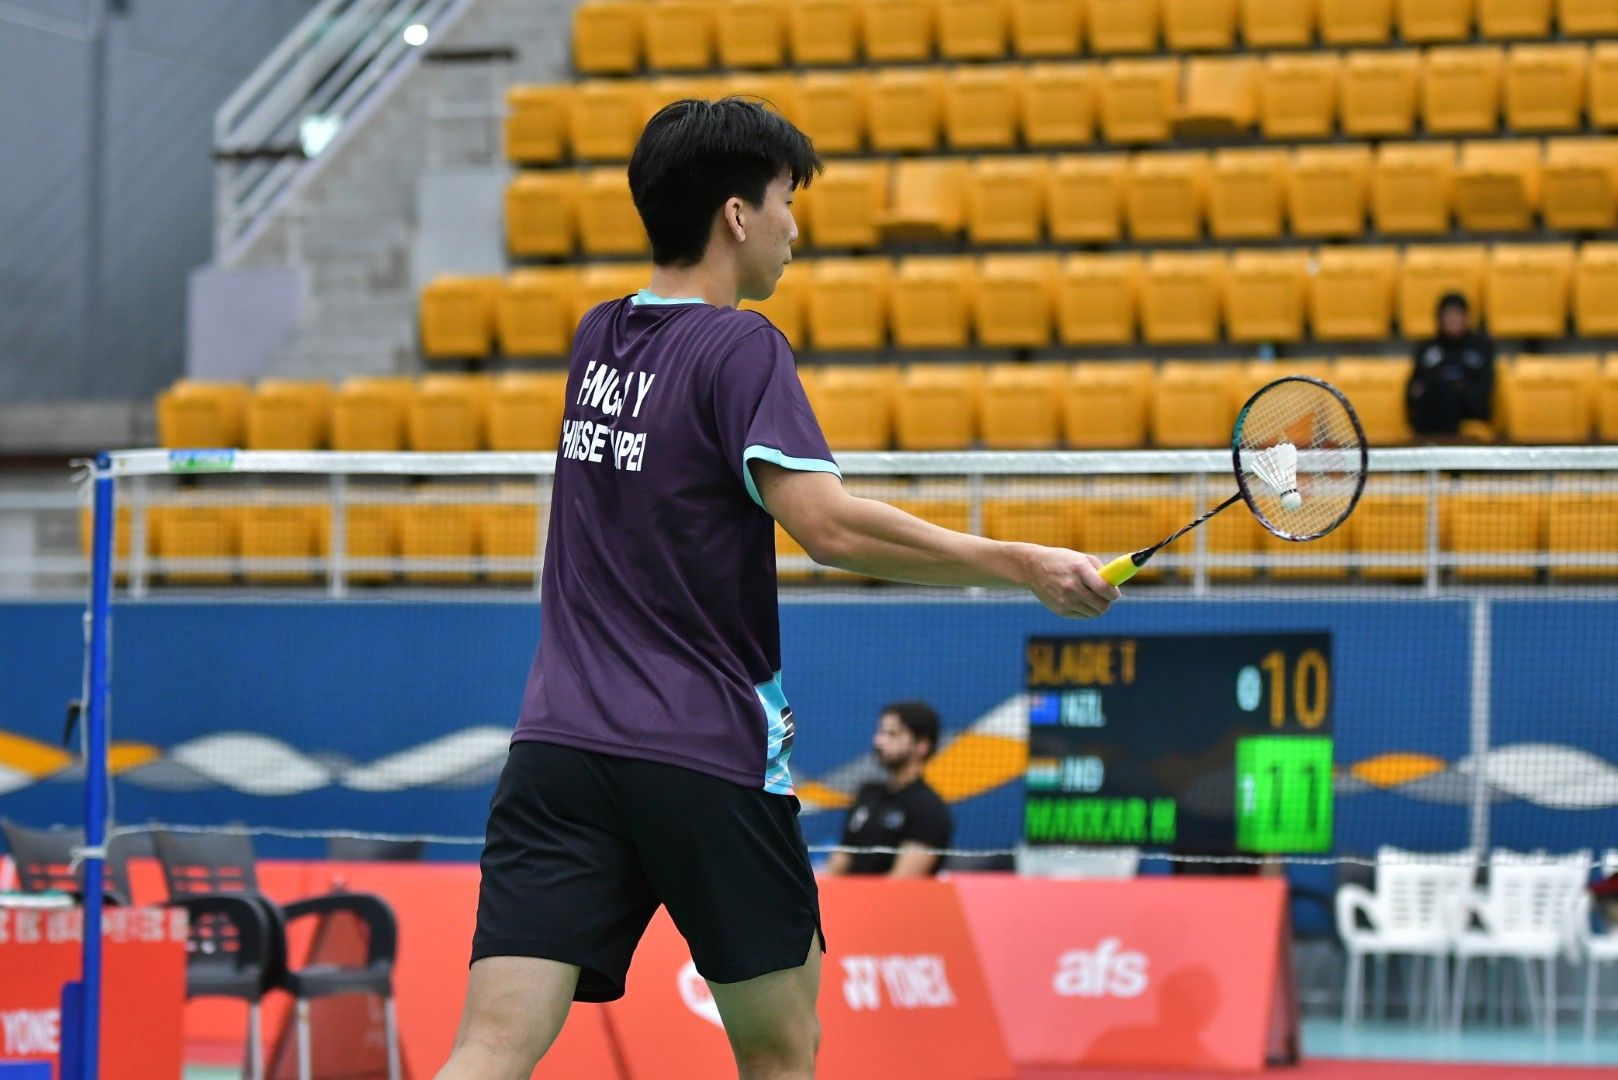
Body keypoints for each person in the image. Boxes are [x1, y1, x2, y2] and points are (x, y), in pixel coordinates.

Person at [436, 98, 1119, 1080]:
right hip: (703, 753)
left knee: (492, 1045)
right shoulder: (742, 347)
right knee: (782, 1048)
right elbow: (829, 528)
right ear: (736, 215)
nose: (795, 228)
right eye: (786, 201)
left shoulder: (598, 340)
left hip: (558, 750)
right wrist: (1023, 563)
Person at [823, 701, 954, 878]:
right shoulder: (868, 795)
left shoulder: (929, 809)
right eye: (880, 732)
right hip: (845, 895)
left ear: (922, 745)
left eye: (892, 734)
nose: (879, 741)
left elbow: (902, 883)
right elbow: (837, 866)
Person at [1406, 292, 1497, 439]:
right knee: (1436, 392)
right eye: (1448, 314)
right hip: (1432, 407)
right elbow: (1415, 388)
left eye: (1457, 314)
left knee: (1446, 393)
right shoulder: (1427, 348)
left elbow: (1484, 387)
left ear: (1466, 317)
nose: (1453, 319)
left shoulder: (1481, 347)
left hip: (1468, 409)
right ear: (1439, 318)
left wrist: (1455, 389)